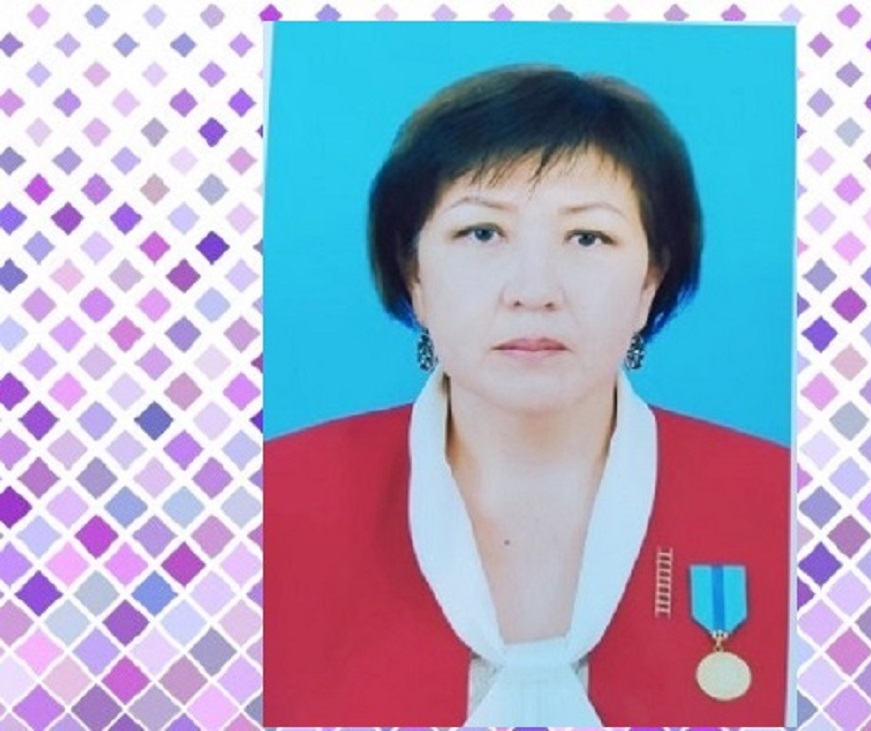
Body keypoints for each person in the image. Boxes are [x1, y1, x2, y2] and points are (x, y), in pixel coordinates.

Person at [264, 65, 790, 726]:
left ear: (649, 281)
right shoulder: (267, 497)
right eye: (482, 233)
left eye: (588, 237)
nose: (534, 291)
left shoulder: (790, 503)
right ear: (415, 275)